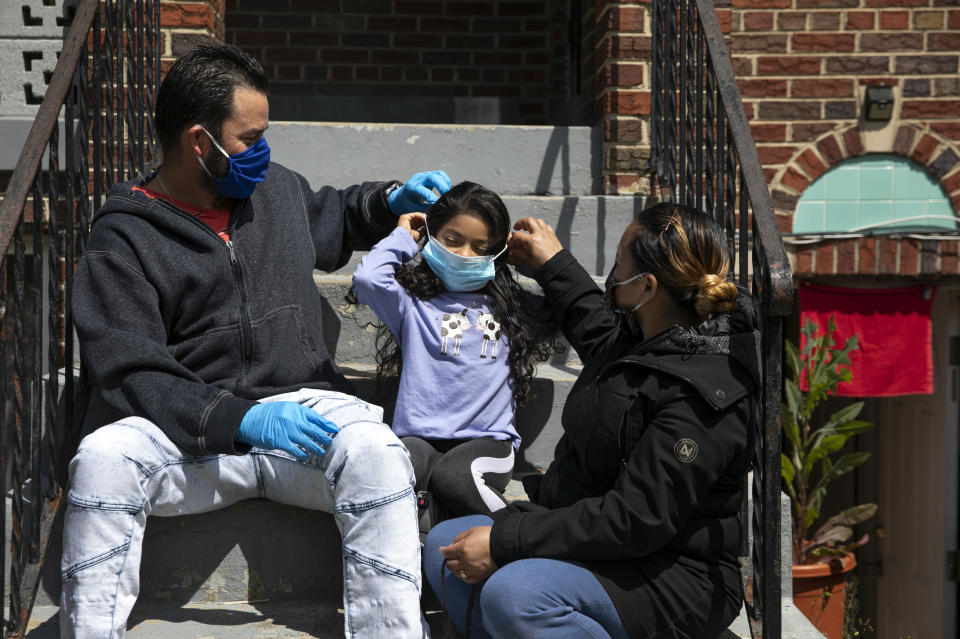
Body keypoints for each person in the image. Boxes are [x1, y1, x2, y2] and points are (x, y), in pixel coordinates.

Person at [64, 42, 450, 639]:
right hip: (188, 435)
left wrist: (388, 201)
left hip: (299, 413)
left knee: (377, 454)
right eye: (249, 137)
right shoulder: (122, 239)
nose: (262, 151)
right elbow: (131, 370)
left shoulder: (274, 190)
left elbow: (337, 217)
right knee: (101, 460)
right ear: (200, 142)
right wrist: (234, 418)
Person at [423, 203, 760, 639]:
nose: (612, 269)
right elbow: (596, 329)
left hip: (673, 569)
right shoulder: (645, 334)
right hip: (597, 540)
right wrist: (552, 264)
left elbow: (636, 519)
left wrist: (509, 541)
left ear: (648, 286)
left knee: (516, 595)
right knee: (445, 545)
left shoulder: (704, 392)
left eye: (620, 259)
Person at [351, 181, 556, 522]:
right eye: (452, 240)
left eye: (480, 247)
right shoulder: (411, 305)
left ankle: (525, 533)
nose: (464, 255)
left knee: (454, 477)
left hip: (487, 443)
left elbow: (565, 309)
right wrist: (404, 238)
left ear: (496, 252)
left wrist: (532, 262)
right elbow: (369, 279)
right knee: (389, 470)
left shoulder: (513, 309)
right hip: (419, 438)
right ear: (432, 237)